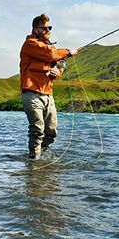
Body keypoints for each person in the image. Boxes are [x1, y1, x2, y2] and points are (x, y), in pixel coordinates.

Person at [19, 13, 80, 159]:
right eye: (44, 28)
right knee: (37, 130)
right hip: (32, 94)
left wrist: (57, 71)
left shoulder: (49, 49)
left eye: (49, 28)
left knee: (51, 132)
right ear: (35, 29)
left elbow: (60, 63)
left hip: (48, 95)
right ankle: (34, 161)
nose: (48, 30)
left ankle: (40, 157)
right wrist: (68, 52)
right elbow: (51, 55)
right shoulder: (30, 45)